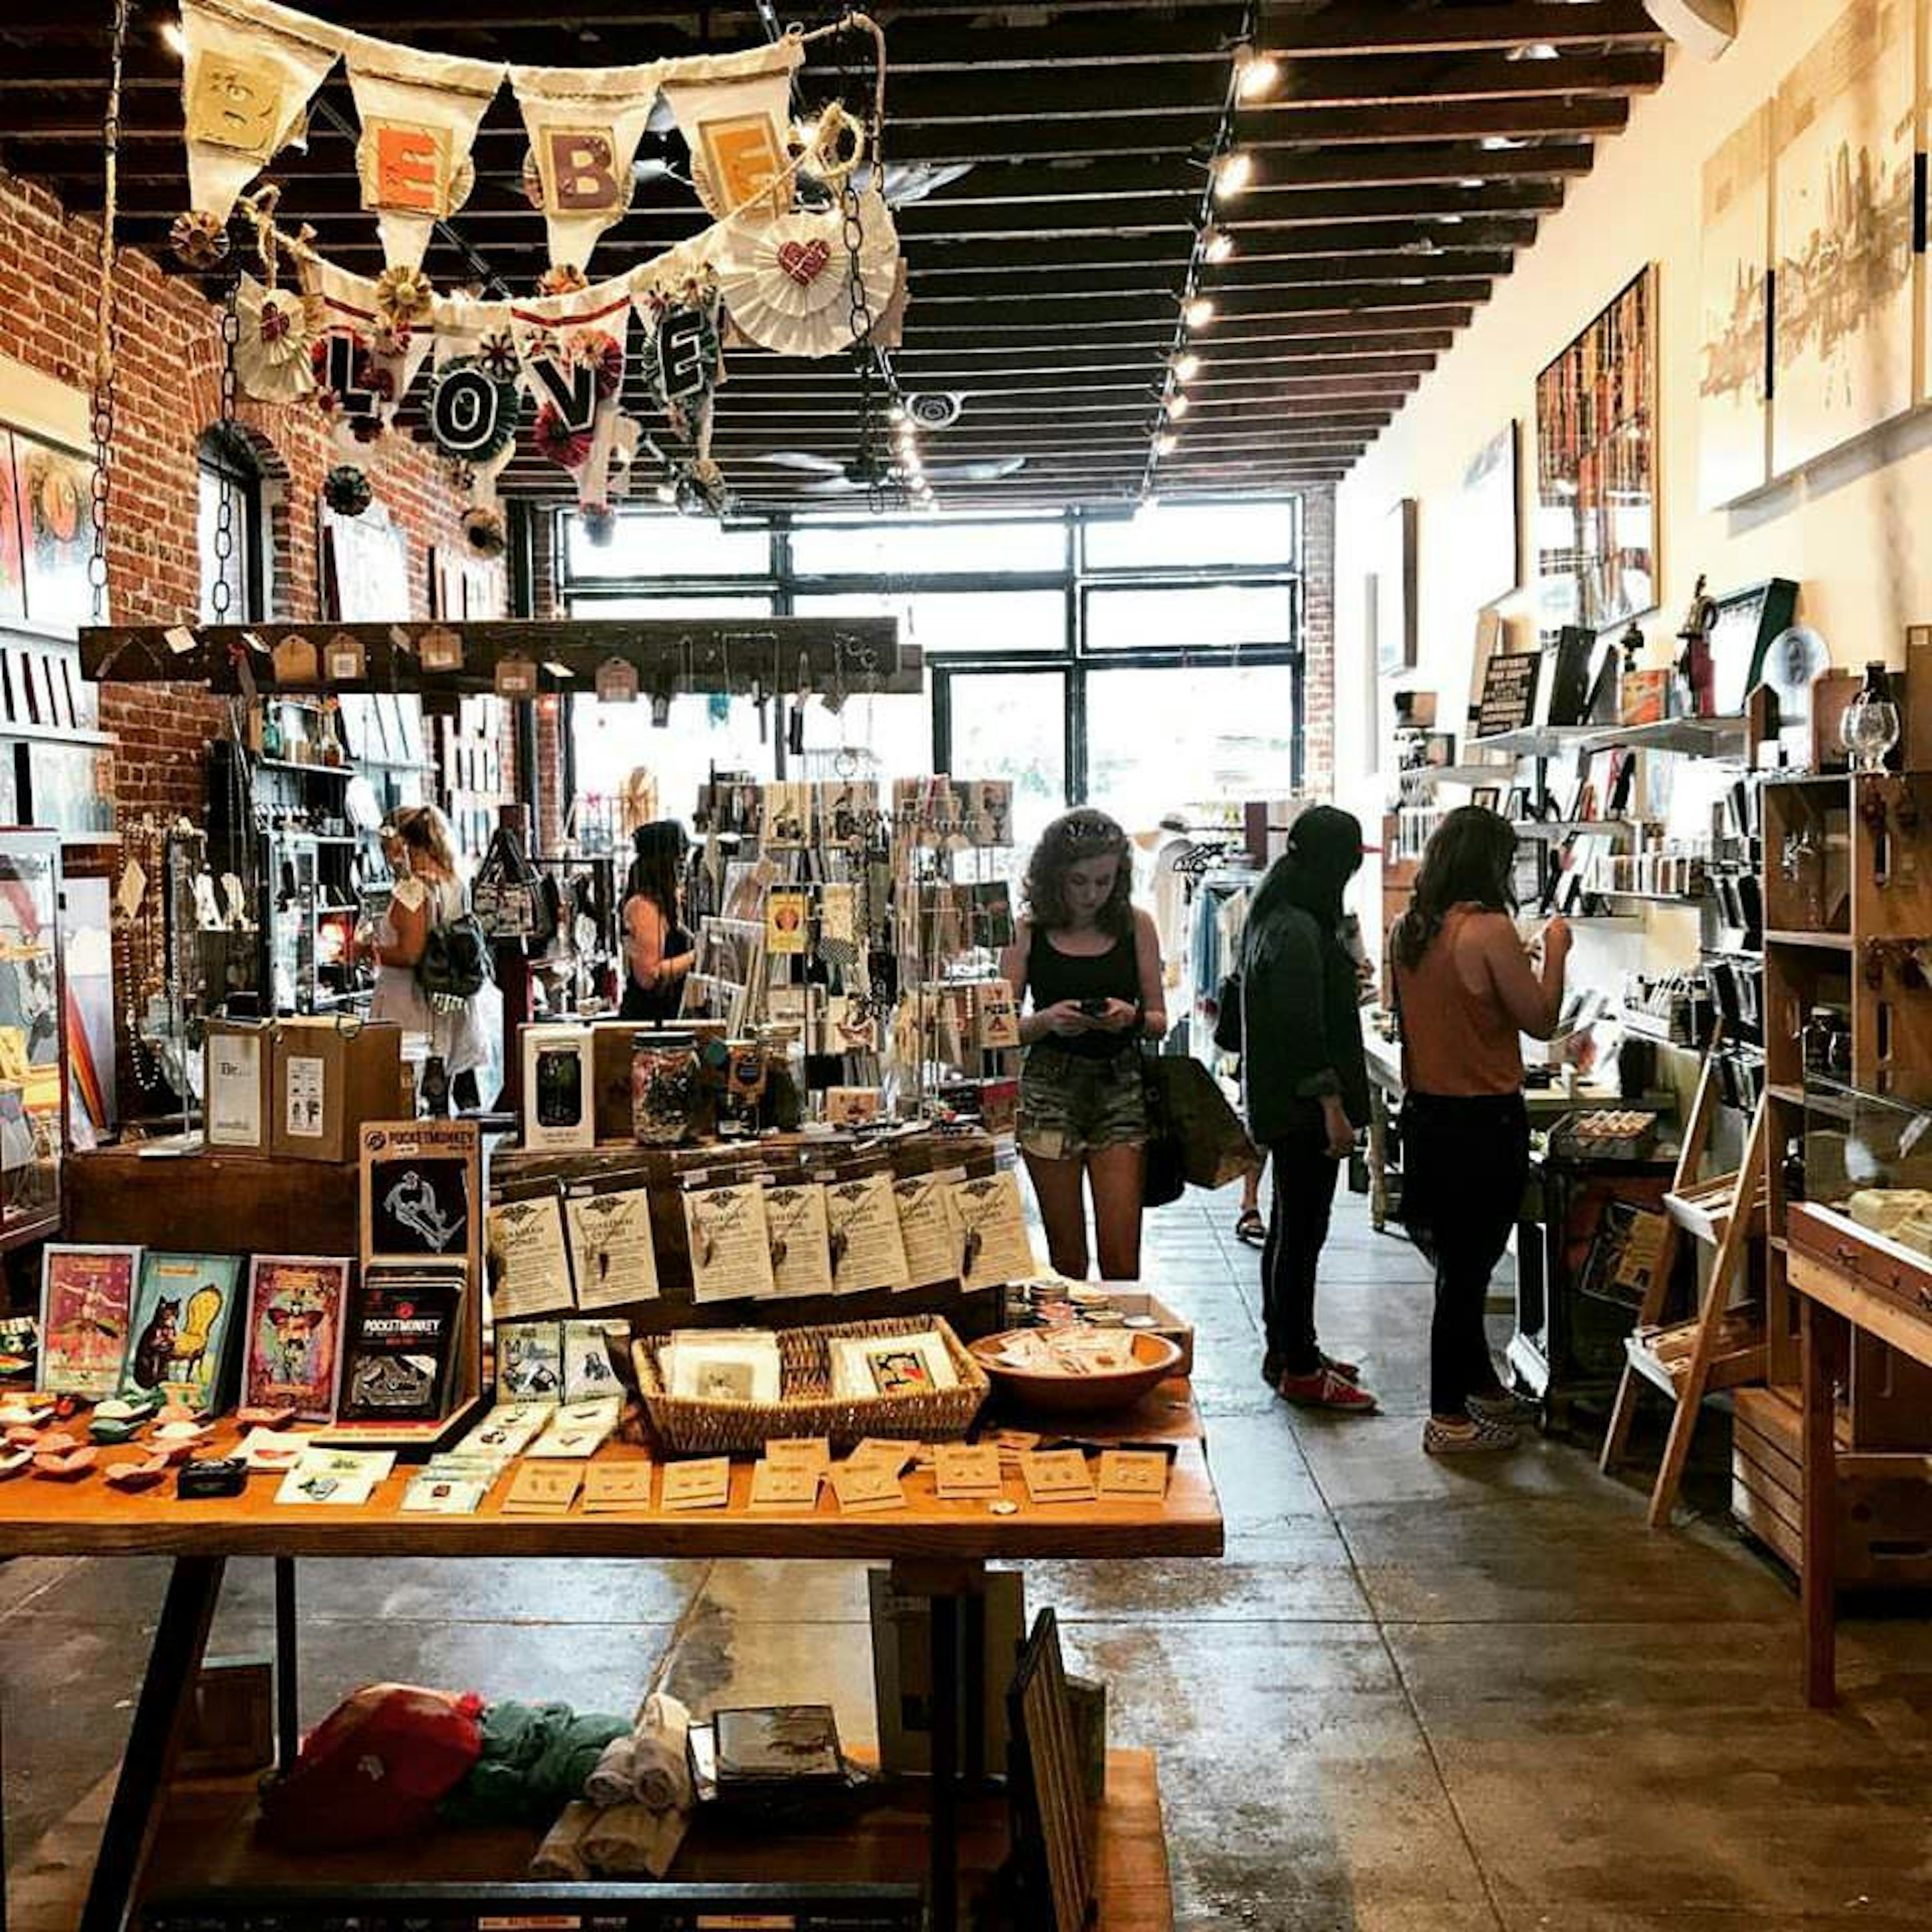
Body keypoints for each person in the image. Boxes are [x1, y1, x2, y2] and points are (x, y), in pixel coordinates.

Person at [1391, 805, 1571, 1455]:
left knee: (1455, 1264)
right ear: (1488, 863)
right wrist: (1555, 952)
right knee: (1467, 1275)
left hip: (1427, 1117)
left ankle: (1479, 1388)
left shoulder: (1411, 931)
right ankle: (1447, 1417)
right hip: (1483, 1120)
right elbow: (1542, 1019)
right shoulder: (1491, 929)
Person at [1239, 806, 1379, 1413]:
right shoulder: (1295, 928)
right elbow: (1304, 1030)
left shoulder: (1277, 917)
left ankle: (1290, 1349)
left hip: (1281, 1101)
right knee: (1302, 1233)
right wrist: (1333, 1108)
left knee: (1289, 1228)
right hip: (1304, 1108)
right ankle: (1298, 1363)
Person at [1000, 808, 1166, 1281]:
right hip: (1049, 1089)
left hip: (1121, 1087)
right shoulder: (1027, 931)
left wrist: (1128, 1017)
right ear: (1054, 878)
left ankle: (1121, 1352)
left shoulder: (1137, 925)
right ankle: (1073, 1350)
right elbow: (1001, 1028)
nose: (1093, 894)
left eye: (1104, 881)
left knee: (1121, 1259)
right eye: (1079, 882)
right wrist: (1049, 1021)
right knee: (1066, 1261)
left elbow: (1158, 1020)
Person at [364, 804, 490, 1109]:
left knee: (413, 1091)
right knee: (446, 1081)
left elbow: (411, 952)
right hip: (448, 999)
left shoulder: (413, 890)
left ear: (403, 844)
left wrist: (368, 950)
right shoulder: (455, 883)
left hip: (411, 1004)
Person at [619, 821, 696, 1024]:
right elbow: (649, 976)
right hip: (649, 1020)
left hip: (667, 1016)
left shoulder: (664, 904)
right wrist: (697, 956)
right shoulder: (643, 907)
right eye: (679, 863)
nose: (684, 871)